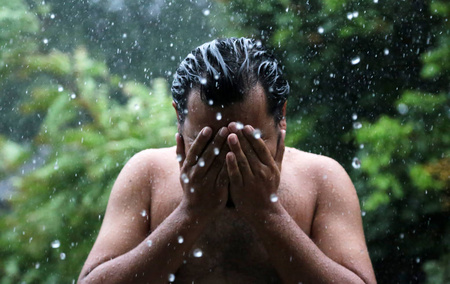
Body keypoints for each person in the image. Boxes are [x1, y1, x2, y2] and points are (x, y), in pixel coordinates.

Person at [78, 38, 377, 284]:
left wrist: (267, 212)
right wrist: (191, 212)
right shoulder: (147, 174)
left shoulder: (321, 179)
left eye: (248, 143)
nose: (230, 162)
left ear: (281, 117)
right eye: (209, 144)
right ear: (179, 120)